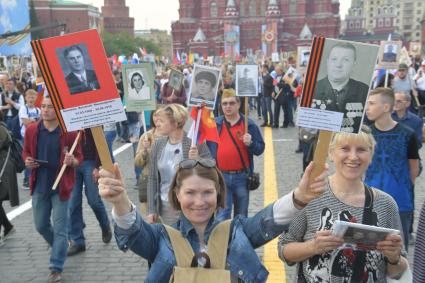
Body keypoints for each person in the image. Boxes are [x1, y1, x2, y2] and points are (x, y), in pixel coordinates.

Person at [98, 157, 328, 282]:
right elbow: (133, 231)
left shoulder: (236, 231)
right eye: (190, 193)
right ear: (177, 195)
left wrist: (299, 198)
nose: (199, 201)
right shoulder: (161, 236)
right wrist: (120, 201)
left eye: (207, 192)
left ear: (218, 194)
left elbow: (267, 220)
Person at [279, 128, 408, 282]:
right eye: (345, 149)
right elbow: (284, 249)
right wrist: (313, 246)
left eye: (361, 150)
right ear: (331, 153)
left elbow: (397, 272)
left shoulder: (386, 204)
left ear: (371, 155)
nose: (353, 157)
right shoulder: (310, 196)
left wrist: (394, 258)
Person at [22, 95, 83, 282]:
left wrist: (71, 161)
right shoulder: (33, 130)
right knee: (41, 225)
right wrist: (28, 161)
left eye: (49, 107)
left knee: (60, 228)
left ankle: (56, 267)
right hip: (40, 184)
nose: (45, 110)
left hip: (61, 187)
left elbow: (78, 158)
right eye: (43, 107)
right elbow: (26, 151)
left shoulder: (69, 133)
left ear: (58, 111)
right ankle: (61, 245)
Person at [365, 87, 419, 251]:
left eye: (372, 103)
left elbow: (413, 169)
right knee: (368, 250)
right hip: (368, 200)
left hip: (400, 203)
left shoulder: (408, 134)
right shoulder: (365, 134)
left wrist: (400, 187)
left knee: (398, 250)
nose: (367, 107)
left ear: (386, 107)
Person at [147, 104, 211, 225]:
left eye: (162, 121)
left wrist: (198, 159)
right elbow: (152, 179)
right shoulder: (158, 145)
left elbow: (212, 166)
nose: (157, 124)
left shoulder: (194, 142)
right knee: (171, 241)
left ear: (176, 123)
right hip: (167, 206)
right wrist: (151, 209)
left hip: (193, 205)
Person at [207, 89, 264, 220]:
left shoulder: (248, 125)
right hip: (221, 177)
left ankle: (237, 240)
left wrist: (251, 143)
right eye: (224, 103)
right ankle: (223, 241)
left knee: (241, 216)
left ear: (238, 104)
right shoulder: (215, 125)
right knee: (221, 216)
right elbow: (207, 150)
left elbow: (260, 149)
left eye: (231, 103)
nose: (228, 106)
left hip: (242, 177)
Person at [67, 129, 112, 257]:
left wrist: (98, 167)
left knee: (93, 200)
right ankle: (78, 241)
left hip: (90, 162)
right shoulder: (68, 120)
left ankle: (105, 225)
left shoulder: (92, 117)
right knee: (73, 203)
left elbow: (100, 143)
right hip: (74, 163)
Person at [312, 42, 369, 133]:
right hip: (320, 144)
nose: (338, 65)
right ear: (327, 62)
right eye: (334, 59)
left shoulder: (364, 91)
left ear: (354, 64)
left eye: (345, 60)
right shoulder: (311, 89)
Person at [135, 109, 162, 214]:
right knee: (150, 216)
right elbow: (138, 163)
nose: (158, 118)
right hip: (149, 180)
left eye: (161, 116)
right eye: (155, 115)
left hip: (167, 182)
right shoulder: (146, 136)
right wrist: (145, 150)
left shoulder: (172, 135)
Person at [0, 110, 18, 244]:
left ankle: (7, 227)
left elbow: (4, 144)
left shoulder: (1, 128)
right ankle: (7, 226)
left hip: (3, 168)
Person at [19, 89, 41, 189]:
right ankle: (26, 179)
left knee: (36, 157)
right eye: (29, 97)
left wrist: (32, 121)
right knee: (28, 157)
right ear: (25, 98)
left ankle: (34, 177)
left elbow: (41, 123)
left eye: (33, 97)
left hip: (36, 136)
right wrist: (34, 121)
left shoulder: (38, 110)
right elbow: (25, 122)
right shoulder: (23, 109)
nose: (31, 99)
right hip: (26, 137)